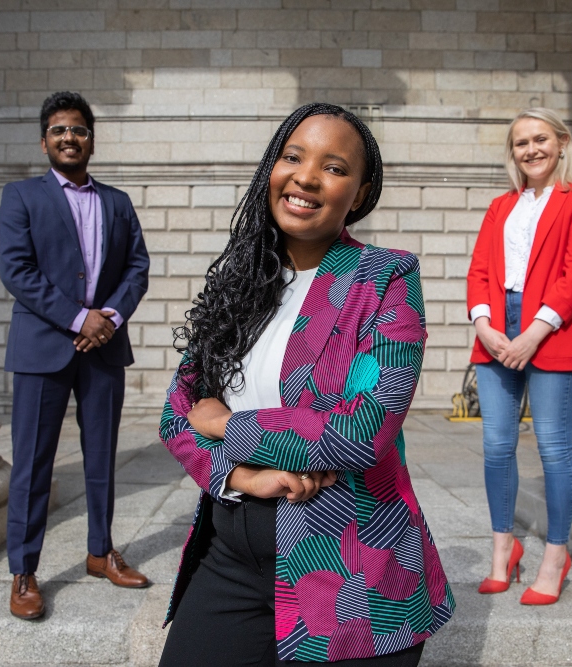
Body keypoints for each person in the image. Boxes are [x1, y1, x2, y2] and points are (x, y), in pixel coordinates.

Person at [158, 103, 453, 666]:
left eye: (334, 167)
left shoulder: (385, 279)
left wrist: (227, 426)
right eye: (293, 157)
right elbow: (177, 414)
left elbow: (362, 430)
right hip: (231, 559)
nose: (307, 177)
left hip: (350, 572)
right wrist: (242, 474)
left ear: (361, 193)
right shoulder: (239, 282)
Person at [0, 91, 151, 620]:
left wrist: (107, 318)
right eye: (59, 130)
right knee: (33, 464)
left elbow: (137, 268)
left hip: (103, 350)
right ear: (45, 141)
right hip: (42, 348)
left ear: (91, 139)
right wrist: (75, 317)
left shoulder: (118, 202)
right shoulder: (21, 197)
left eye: (79, 129)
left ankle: (100, 552)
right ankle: (23, 571)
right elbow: (18, 271)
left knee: (102, 460)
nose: (70, 137)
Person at [466, 108, 572, 605]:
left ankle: (555, 554)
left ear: (562, 142)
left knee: (552, 447)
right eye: (521, 143)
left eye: (540, 139)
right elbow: (480, 269)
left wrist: (533, 333)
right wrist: (485, 325)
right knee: (497, 446)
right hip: (496, 328)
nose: (531, 150)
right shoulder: (501, 206)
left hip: (552, 330)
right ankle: (504, 549)